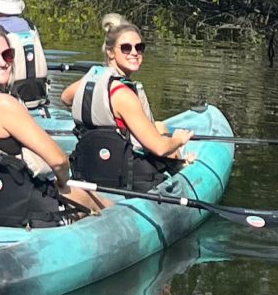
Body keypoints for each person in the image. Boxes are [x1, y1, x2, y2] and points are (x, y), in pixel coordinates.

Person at [0, 23, 102, 224]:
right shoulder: (3, 104)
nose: (2, 63)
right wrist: (62, 182)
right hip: (20, 208)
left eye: (7, 55)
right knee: (94, 201)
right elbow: (58, 160)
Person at [61, 18, 194, 192]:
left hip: (87, 170)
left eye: (139, 48)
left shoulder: (90, 79)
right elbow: (159, 148)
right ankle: (184, 164)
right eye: (126, 48)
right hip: (126, 177)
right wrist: (179, 140)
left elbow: (65, 98)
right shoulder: (123, 95)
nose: (134, 53)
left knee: (159, 127)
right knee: (169, 145)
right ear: (110, 52)